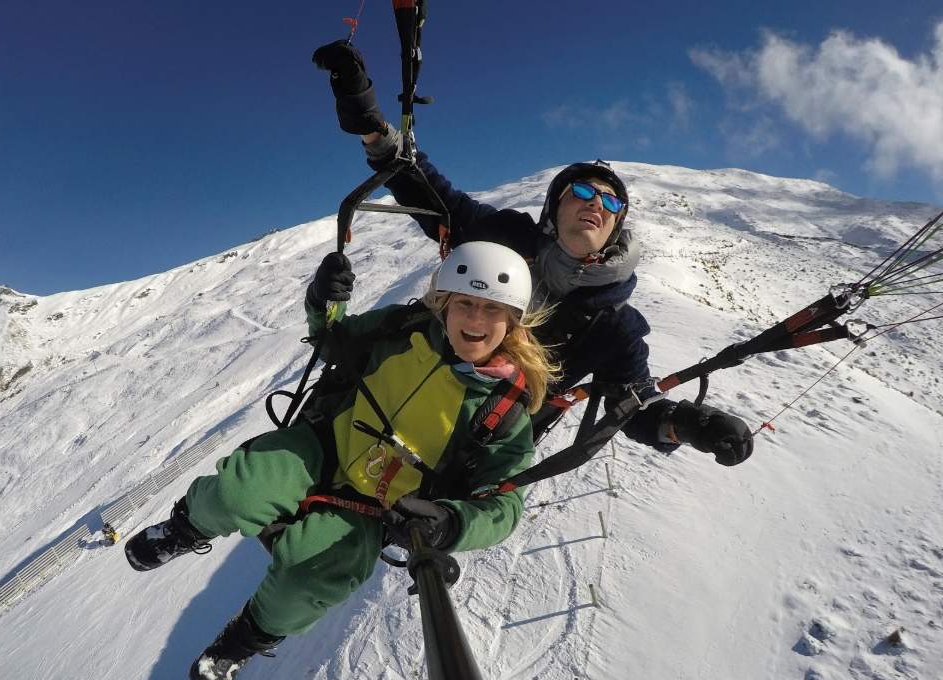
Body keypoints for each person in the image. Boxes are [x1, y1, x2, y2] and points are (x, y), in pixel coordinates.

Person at [124, 240, 558, 680]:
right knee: (239, 491)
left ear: (512, 322)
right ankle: (186, 528)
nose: (475, 319)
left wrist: (452, 523)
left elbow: (503, 504)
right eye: (465, 303)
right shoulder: (402, 330)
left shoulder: (504, 410)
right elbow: (334, 339)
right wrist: (323, 300)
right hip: (328, 443)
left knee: (315, 577)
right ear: (443, 303)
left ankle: (248, 636)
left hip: (381, 504)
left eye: (492, 309)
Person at [311, 40, 755, 467]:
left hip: (466, 450)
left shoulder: (613, 326)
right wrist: (371, 124)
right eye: (581, 192)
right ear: (553, 209)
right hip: (392, 385)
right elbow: (430, 195)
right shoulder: (504, 235)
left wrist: (689, 424)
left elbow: (632, 405)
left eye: (610, 201)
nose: (595, 203)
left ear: (617, 225)